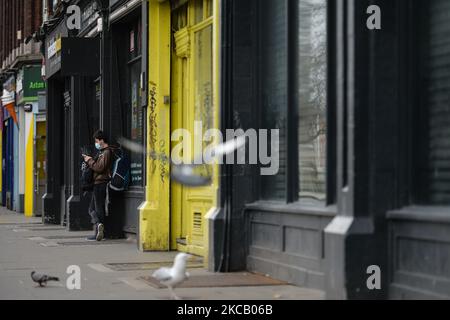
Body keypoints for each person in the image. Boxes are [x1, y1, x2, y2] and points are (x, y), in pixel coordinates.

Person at [83, 130, 113, 241]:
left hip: (101, 183)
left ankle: (99, 229)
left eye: (96, 141)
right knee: (93, 208)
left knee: (96, 208)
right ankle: (99, 227)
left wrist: (89, 160)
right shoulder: (102, 152)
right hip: (97, 183)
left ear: (101, 140)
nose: (96, 143)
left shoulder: (107, 152)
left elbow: (100, 168)